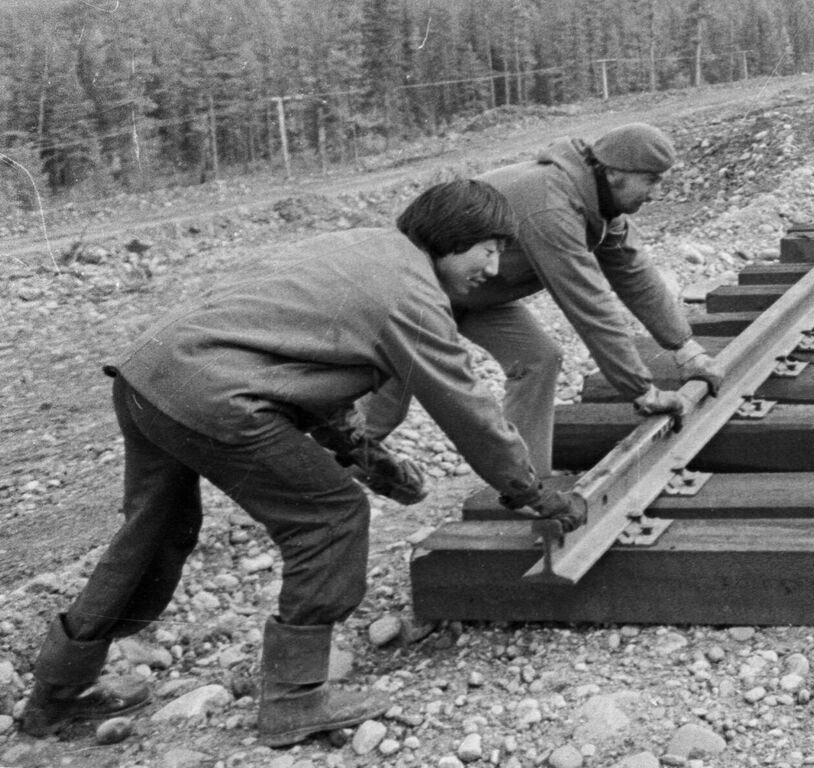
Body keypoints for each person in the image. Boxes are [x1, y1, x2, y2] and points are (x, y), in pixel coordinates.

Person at [18, 180, 585, 748]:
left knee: (153, 531)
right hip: (213, 396)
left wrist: (368, 456)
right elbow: (469, 410)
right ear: (450, 238)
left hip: (149, 375)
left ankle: (55, 694)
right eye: (487, 248)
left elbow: (298, 372)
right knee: (330, 518)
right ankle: (294, 699)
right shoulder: (413, 297)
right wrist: (532, 490)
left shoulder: (365, 249)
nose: (495, 265)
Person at [363, 123, 723, 476]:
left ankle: (524, 480)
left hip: (477, 291)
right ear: (615, 173)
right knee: (384, 405)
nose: (656, 192)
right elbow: (589, 304)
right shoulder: (553, 206)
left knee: (539, 358)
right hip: (420, 289)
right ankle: (323, 470)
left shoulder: (597, 203)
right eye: (651, 180)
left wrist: (685, 348)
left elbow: (634, 272)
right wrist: (641, 390)